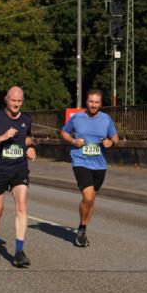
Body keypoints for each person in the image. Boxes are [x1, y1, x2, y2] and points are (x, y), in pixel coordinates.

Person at [0, 86, 36, 267]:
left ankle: (19, 252)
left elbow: (28, 138)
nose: (16, 104)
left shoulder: (27, 119)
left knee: (21, 207)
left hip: (19, 168)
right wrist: (3, 137)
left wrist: (31, 148)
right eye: (13, 100)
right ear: (6, 100)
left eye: (20, 101)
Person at [60, 89, 119, 247]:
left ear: (100, 104)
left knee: (91, 200)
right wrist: (73, 142)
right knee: (88, 197)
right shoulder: (77, 118)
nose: (93, 105)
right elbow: (64, 132)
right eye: (91, 101)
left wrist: (110, 142)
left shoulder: (106, 119)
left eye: (96, 102)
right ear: (87, 102)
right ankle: (81, 229)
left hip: (99, 164)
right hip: (80, 161)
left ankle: (83, 227)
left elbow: (116, 137)